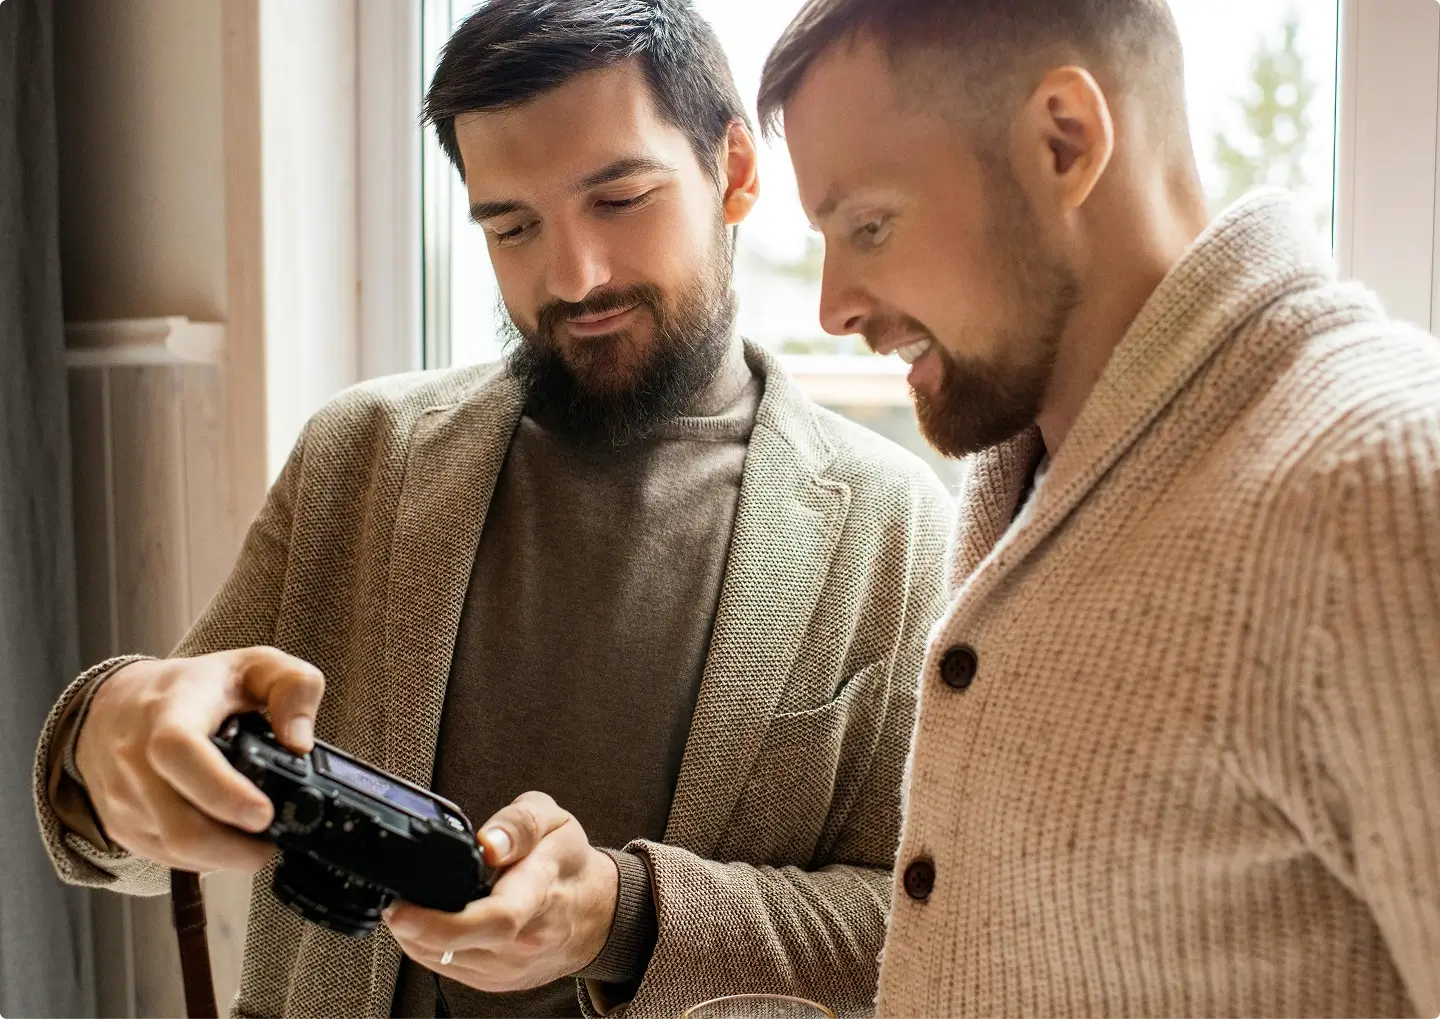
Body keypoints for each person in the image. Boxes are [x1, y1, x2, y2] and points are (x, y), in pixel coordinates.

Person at [32, 2, 952, 1017]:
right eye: (511, 225)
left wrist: (627, 916)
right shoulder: (361, 455)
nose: (573, 277)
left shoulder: (895, 523)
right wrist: (102, 737)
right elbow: (146, 813)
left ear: (734, 169)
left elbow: (916, 926)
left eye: (620, 198)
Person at [756, 0, 1440, 1017]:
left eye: (869, 224)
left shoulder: (1380, 489)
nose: (834, 305)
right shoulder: (1032, 478)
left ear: (1063, 141)